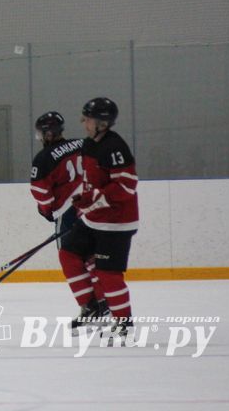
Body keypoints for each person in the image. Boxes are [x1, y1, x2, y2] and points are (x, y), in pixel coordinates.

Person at [60, 98, 139, 341]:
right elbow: (92, 182)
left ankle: (123, 322)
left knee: (108, 274)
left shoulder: (115, 147)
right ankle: (91, 307)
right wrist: (85, 198)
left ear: (102, 122)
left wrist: (95, 197)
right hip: (94, 219)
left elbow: (127, 186)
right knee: (69, 254)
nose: (84, 122)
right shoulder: (89, 144)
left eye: (88, 119)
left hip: (116, 223)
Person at [29, 112, 105, 328]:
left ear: (46, 133)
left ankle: (90, 306)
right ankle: (104, 303)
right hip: (94, 205)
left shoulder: (43, 159)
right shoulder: (83, 144)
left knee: (69, 257)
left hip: (69, 210)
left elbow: (41, 194)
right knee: (91, 255)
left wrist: (47, 211)